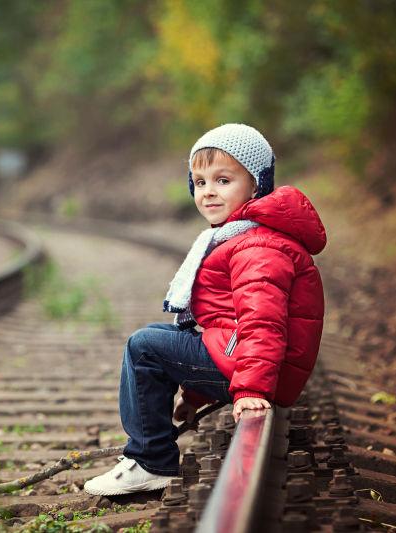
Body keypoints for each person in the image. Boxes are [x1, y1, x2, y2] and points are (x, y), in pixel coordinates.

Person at [84, 123, 326, 496]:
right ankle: (153, 448)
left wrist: (249, 390)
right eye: (199, 182)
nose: (208, 192)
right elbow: (227, 325)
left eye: (223, 180)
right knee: (162, 336)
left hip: (260, 368)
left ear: (257, 184)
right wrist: (196, 394)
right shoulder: (245, 234)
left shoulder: (256, 246)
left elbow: (262, 324)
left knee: (143, 345)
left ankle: (150, 461)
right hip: (246, 356)